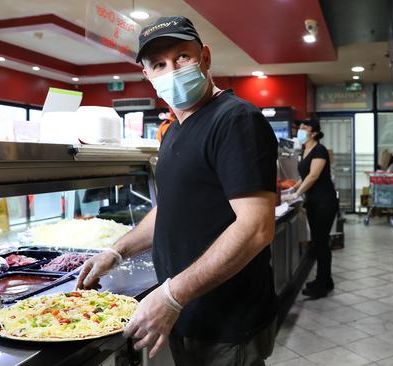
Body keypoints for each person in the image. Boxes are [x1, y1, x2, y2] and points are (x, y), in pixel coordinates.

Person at [77, 16, 278, 365]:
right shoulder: (173, 132)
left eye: (181, 57)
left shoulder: (236, 119)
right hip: (190, 313)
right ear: (147, 75)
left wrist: (170, 295)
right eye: (158, 64)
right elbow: (170, 208)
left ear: (205, 57)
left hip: (226, 321)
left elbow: (256, 227)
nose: (171, 70)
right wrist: (118, 251)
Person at [290, 119, 338, 299]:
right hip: (314, 202)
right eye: (299, 126)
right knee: (319, 242)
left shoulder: (319, 150)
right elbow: (305, 176)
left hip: (324, 203)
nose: (300, 129)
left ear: (314, 133)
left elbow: (314, 175)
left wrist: (296, 195)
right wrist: (293, 189)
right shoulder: (305, 150)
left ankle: (321, 284)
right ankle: (326, 280)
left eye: (304, 127)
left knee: (321, 244)